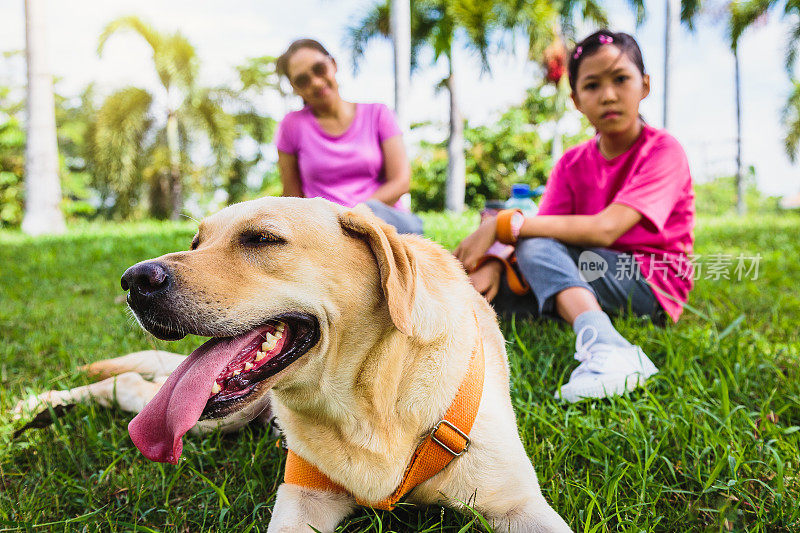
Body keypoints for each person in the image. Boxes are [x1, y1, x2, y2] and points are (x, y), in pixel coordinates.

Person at [454, 30, 695, 403]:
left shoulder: (663, 150)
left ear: (644, 85)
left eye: (621, 79)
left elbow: (606, 228)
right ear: (576, 100)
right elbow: (541, 243)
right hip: (587, 267)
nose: (609, 95)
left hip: (650, 279)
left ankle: (609, 346)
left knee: (533, 249)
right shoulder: (572, 162)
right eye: (593, 85)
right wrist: (497, 262)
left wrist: (501, 225)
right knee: (493, 294)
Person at [275, 38, 423, 235]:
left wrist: (353, 216)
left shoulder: (378, 114)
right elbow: (292, 198)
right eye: (302, 80)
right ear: (295, 88)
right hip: (327, 230)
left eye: (319, 69)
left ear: (333, 64)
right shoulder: (291, 126)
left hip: (379, 220)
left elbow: (401, 181)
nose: (316, 82)